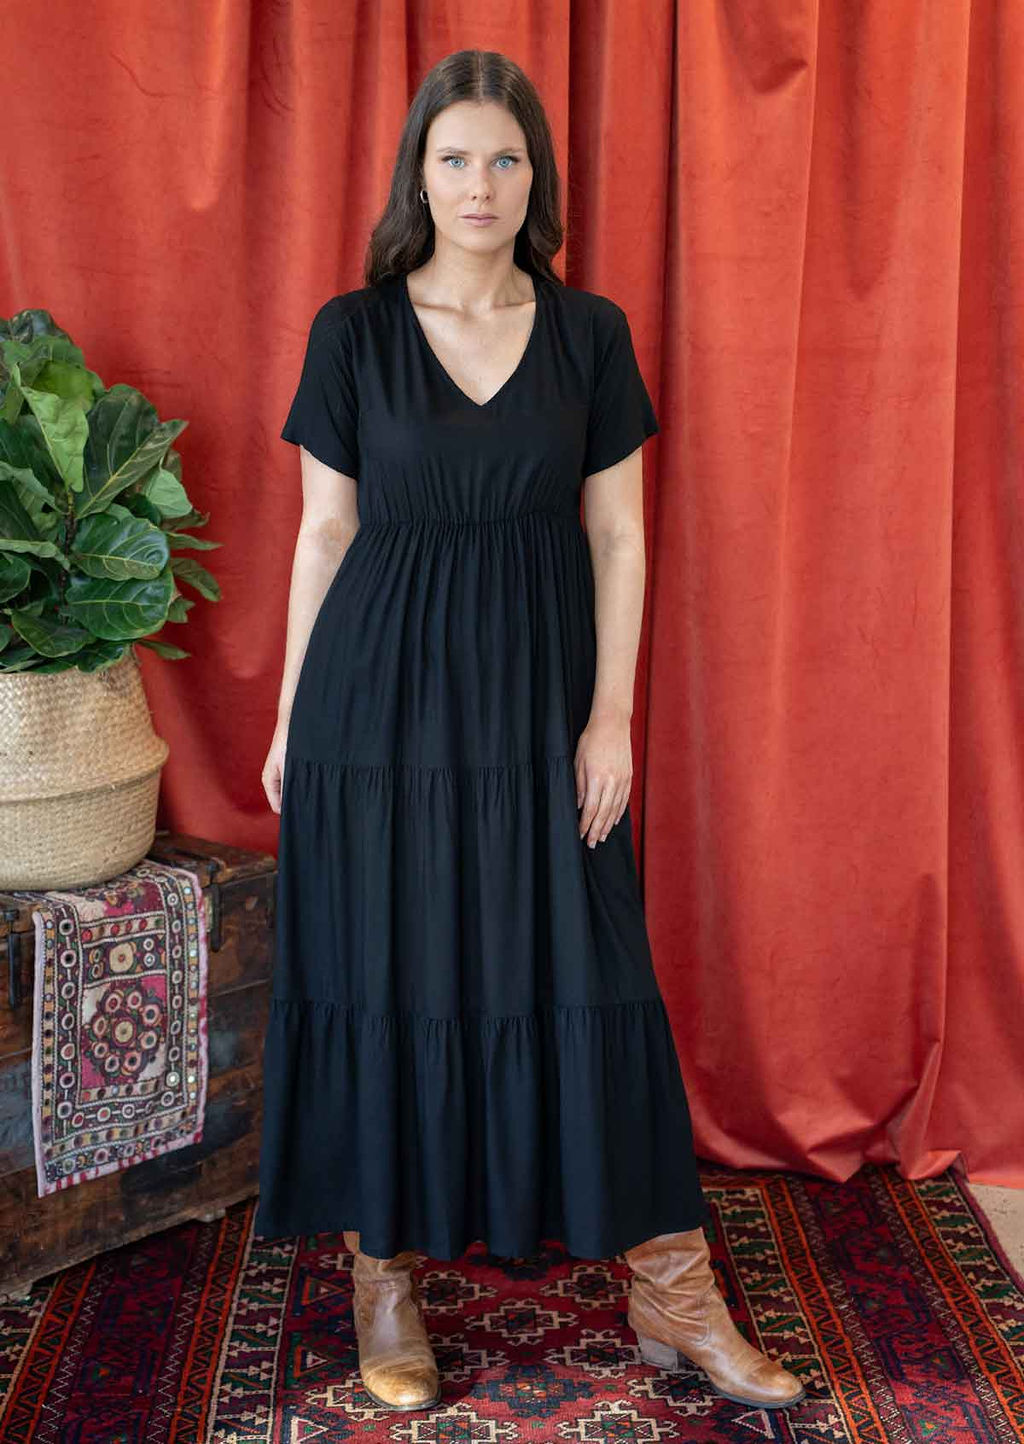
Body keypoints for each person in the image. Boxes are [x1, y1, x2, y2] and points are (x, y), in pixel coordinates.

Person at [256, 48, 805, 1417]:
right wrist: (285, 720)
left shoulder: (589, 332)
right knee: (388, 966)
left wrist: (611, 714)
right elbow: (325, 531)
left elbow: (618, 531)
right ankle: (384, 1273)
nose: (481, 183)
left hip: (544, 699)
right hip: (372, 706)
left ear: (536, 178)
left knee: (594, 964)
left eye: (505, 158)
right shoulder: (354, 330)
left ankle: (672, 1288)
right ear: (417, 175)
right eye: (455, 158)